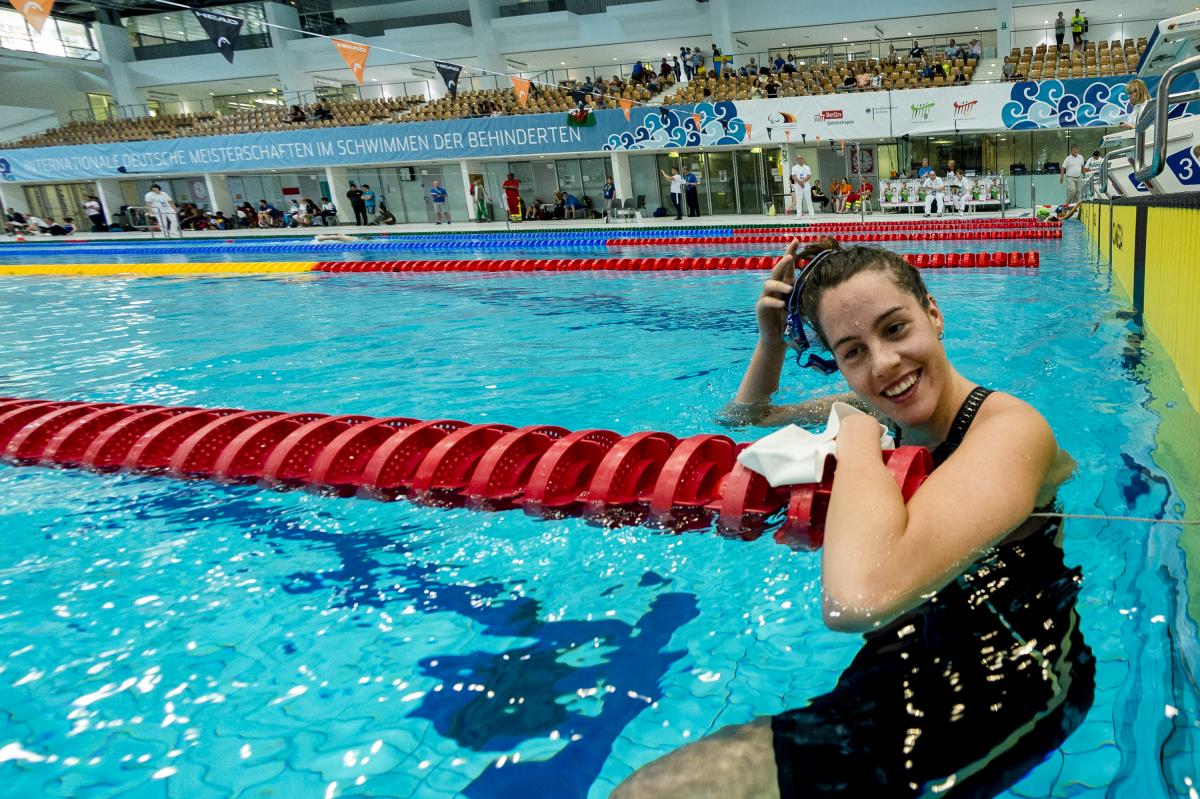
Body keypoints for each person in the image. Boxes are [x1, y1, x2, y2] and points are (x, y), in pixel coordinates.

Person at [614, 237, 1091, 799]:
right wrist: (769, 340)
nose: (884, 365)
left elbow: (857, 600)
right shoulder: (875, 403)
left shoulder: (1011, 429)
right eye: (853, 352)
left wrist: (857, 438)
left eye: (894, 329)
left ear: (933, 314)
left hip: (1010, 670)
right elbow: (746, 417)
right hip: (915, 631)